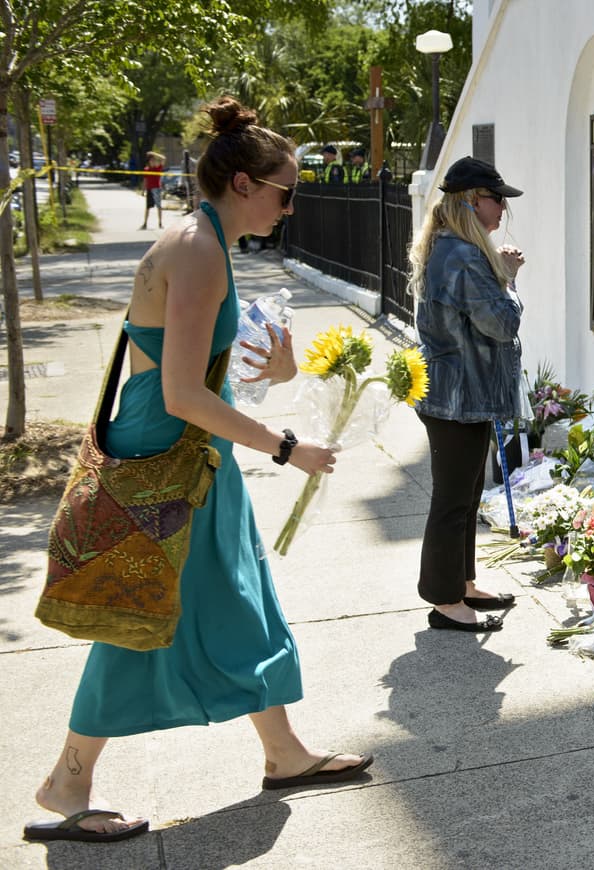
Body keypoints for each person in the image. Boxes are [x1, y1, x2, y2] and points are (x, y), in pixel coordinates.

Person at [24, 97, 371, 845]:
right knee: (141, 612)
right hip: (168, 456)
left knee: (234, 597)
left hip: (187, 453)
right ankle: (67, 780)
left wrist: (273, 372)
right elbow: (181, 394)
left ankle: (283, 751)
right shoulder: (198, 251)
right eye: (286, 191)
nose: (291, 206)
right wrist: (286, 447)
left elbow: (189, 372)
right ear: (244, 184)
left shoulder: (203, 240)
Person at [407, 156, 525, 632]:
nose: (502, 210)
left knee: (467, 494)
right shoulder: (463, 255)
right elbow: (501, 323)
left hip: (458, 395)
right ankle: (444, 600)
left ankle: (463, 583)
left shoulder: (451, 248)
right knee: (453, 501)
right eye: (498, 200)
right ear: (473, 201)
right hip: (456, 398)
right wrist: (509, 280)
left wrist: (497, 273)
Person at [139, 151, 165, 230]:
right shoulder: (146, 169)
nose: (153, 162)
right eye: (151, 160)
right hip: (149, 189)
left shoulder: (158, 168)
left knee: (159, 207)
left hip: (157, 189)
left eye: (154, 160)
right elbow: (145, 180)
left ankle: (160, 223)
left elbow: (163, 158)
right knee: (147, 207)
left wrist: (153, 154)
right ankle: (145, 223)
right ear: (149, 161)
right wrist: (143, 190)